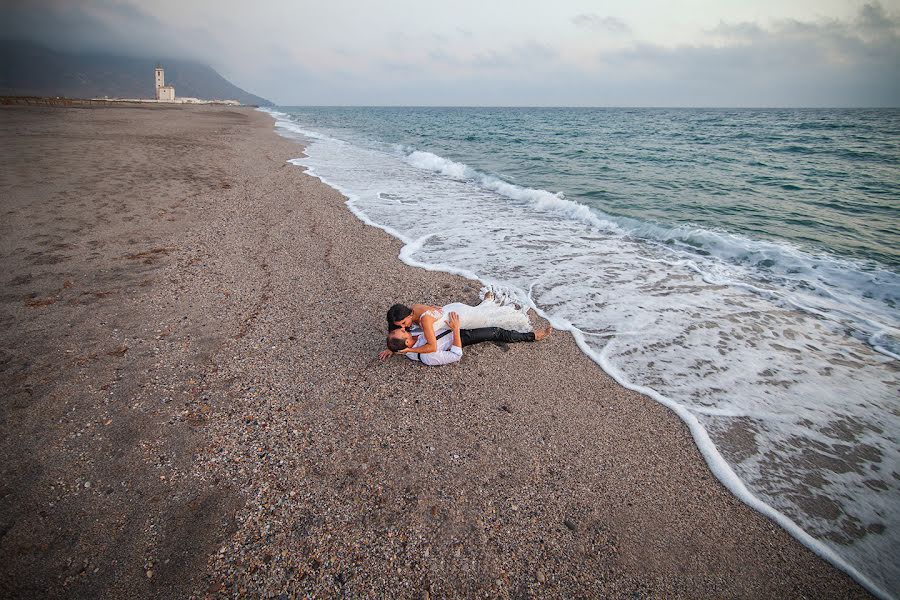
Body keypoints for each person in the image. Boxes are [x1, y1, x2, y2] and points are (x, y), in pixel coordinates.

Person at [379, 310, 552, 366]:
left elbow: (401, 343)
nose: (404, 328)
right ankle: (532, 336)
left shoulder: (412, 336)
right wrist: (455, 330)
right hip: (460, 336)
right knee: (495, 331)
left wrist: (391, 349)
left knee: (480, 315)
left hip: (449, 326)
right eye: (402, 332)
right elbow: (456, 355)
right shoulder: (427, 356)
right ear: (407, 342)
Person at [386, 292, 532, 357]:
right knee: (481, 312)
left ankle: (489, 304)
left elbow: (432, 347)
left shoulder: (425, 321)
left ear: (409, 315)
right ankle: (486, 302)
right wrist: (392, 348)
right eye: (401, 326)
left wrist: (408, 351)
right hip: (451, 309)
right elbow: (398, 335)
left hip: (461, 317)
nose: (403, 327)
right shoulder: (414, 307)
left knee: (490, 320)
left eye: (404, 323)